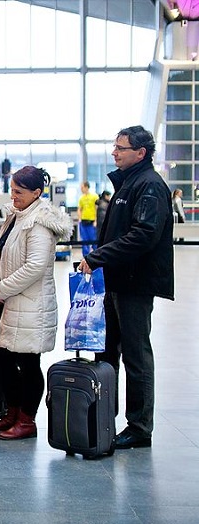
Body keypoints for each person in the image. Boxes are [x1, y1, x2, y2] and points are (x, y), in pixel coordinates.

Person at [78, 125, 174, 450]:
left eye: (121, 148)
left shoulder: (148, 185)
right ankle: (106, 418)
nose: (114, 152)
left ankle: (139, 427)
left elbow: (144, 235)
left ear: (141, 153)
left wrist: (99, 256)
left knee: (135, 355)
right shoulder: (128, 183)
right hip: (117, 281)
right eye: (115, 146)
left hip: (135, 283)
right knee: (107, 353)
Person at [0, 166, 73, 440]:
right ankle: (12, 412)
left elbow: (35, 266)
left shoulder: (40, 223)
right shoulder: (17, 217)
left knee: (28, 362)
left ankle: (27, 420)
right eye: (11, 190)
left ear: (37, 193)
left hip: (31, 305)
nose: (13, 196)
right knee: (5, 358)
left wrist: (2, 288)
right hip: (10, 302)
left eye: (19, 192)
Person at [77, 181, 99, 256]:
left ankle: (96, 256)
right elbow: (79, 209)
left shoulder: (94, 197)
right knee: (84, 241)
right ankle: (85, 257)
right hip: (83, 222)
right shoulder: (81, 198)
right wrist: (80, 219)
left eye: (82, 188)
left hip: (92, 222)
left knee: (94, 240)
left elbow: (97, 209)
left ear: (86, 187)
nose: (81, 189)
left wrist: (96, 220)